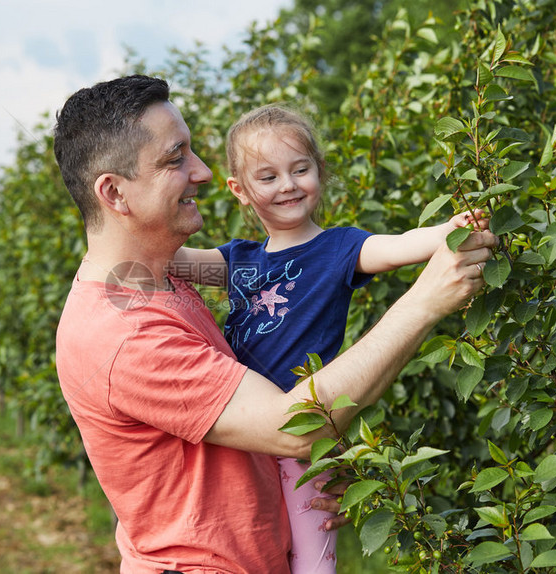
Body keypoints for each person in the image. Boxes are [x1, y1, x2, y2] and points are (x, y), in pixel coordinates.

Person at [53, 75, 497, 574]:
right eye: (175, 158)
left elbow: (253, 425)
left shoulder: (161, 279)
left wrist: (310, 470)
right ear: (113, 192)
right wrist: (425, 302)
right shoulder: (125, 334)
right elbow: (292, 429)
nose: (200, 172)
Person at [172, 104, 490, 574]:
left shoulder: (340, 247)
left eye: (300, 169)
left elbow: (399, 244)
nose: (287, 185)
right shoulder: (236, 260)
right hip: (244, 430)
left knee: (311, 558)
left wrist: (449, 231)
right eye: (268, 176)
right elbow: (168, 257)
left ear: (318, 171)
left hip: (303, 431)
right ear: (239, 191)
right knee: (250, 549)